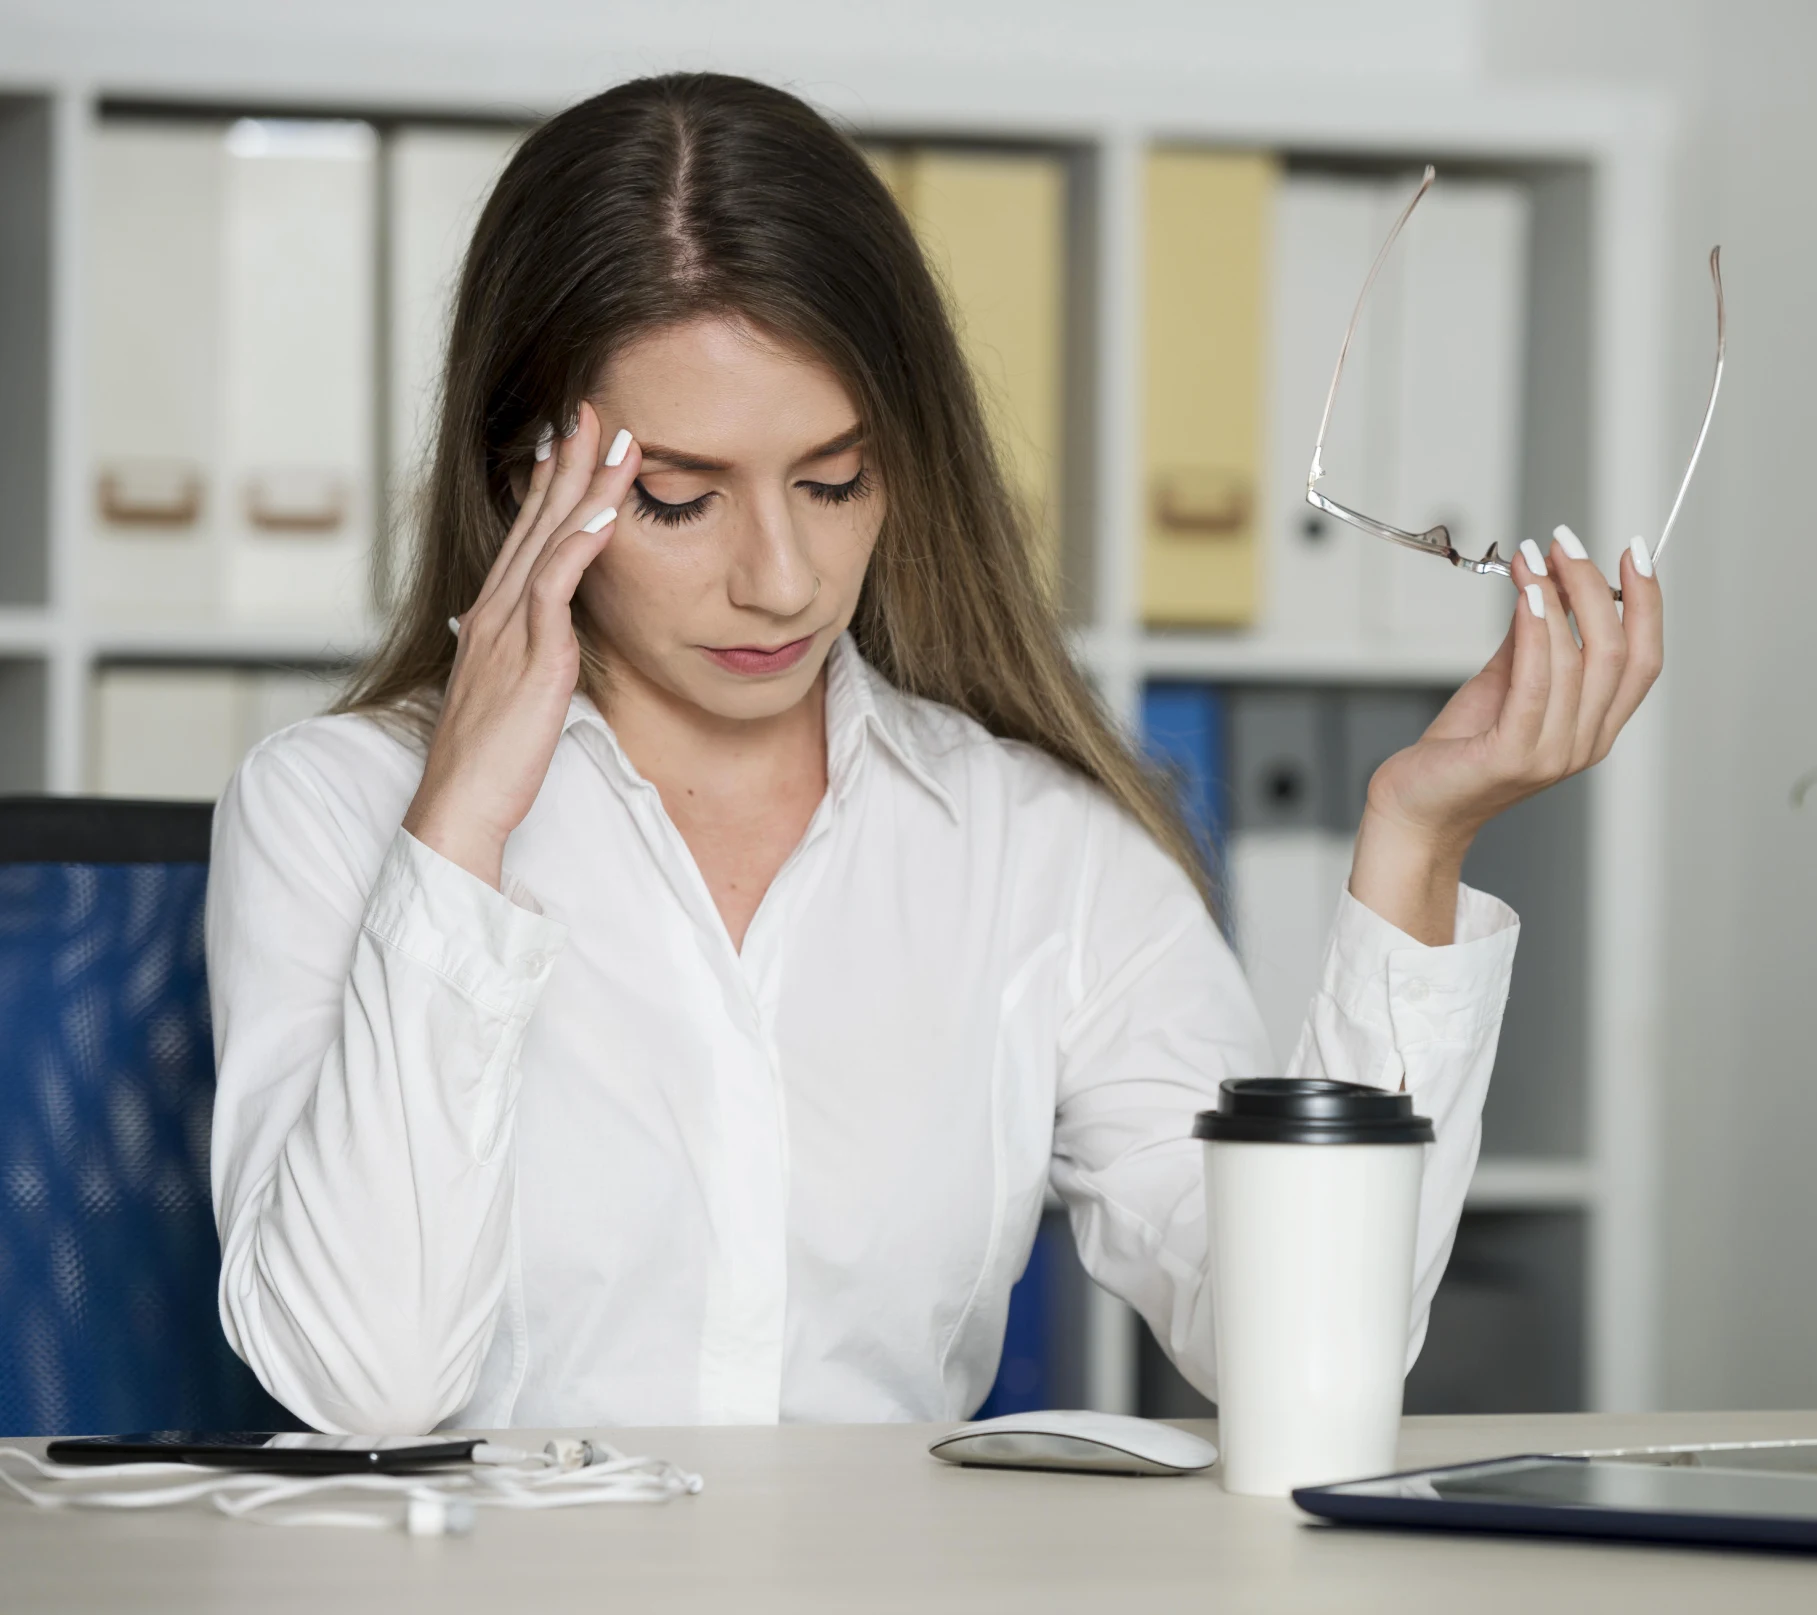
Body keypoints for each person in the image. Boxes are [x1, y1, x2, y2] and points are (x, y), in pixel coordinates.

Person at [207, 72, 1662, 1434]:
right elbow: (366, 1387)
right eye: (678, 500)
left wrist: (1417, 845)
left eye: (834, 480)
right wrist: (462, 825)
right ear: (524, 476)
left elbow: (1306, 1358)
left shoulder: (1039, 846)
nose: (782, 579)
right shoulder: (333, 808)